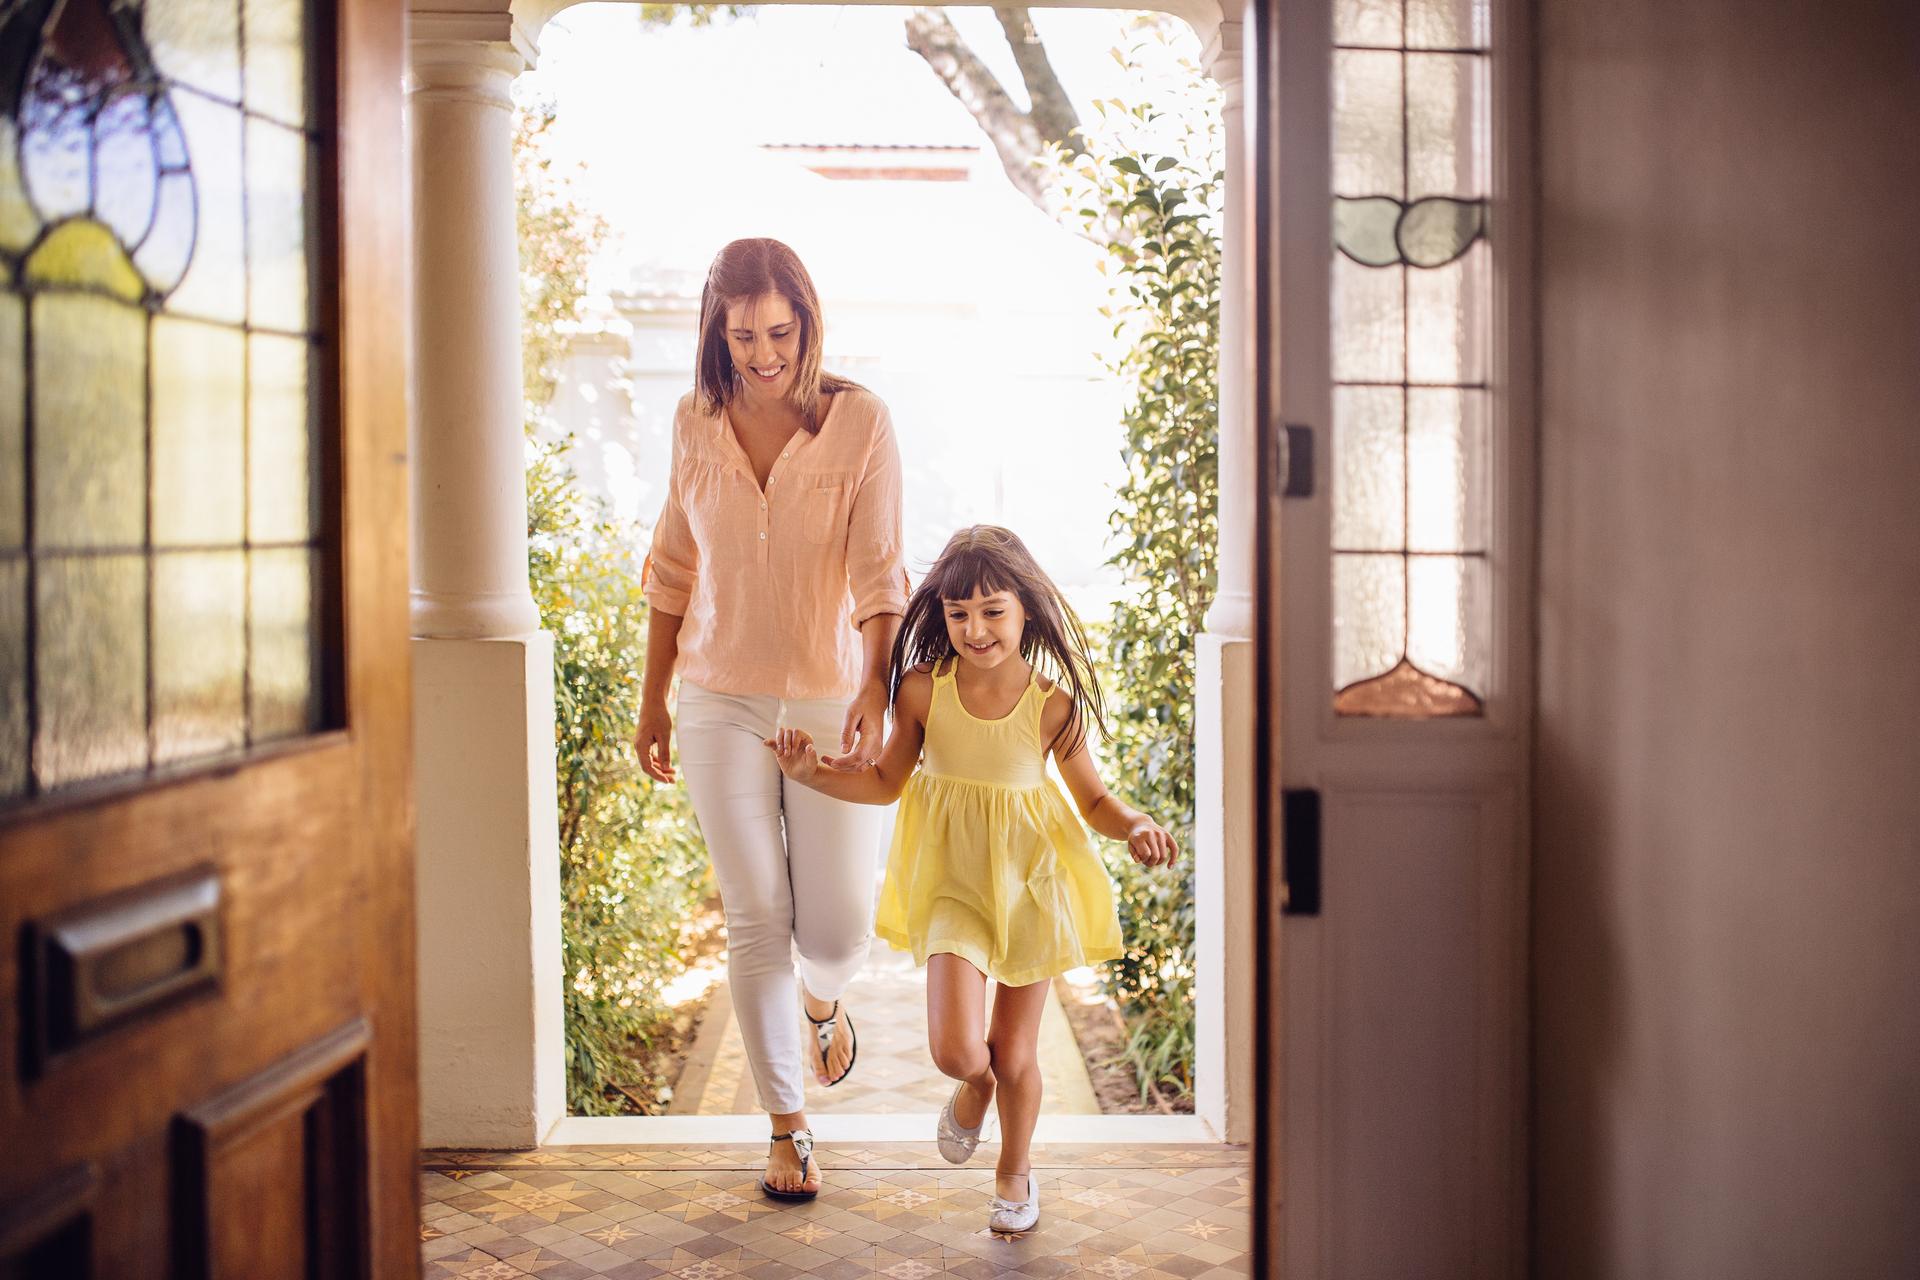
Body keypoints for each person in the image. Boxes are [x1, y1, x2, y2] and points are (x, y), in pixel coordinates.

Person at [765, 525, 1179, 1234]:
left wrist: (1136, 823)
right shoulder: (925, 691)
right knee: (959, 1048)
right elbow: (888, 782)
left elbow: (1095, 801)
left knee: (1017, 1050)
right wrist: (813, 775)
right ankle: (975, 1088)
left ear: (1025, 609)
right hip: (954, 884)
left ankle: (1014, 1173)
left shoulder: (1051, 705)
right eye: (959, 614)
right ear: (942, 616)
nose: (975, 628)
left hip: (1033, 885)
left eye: (992, 611)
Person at [635, 238, 905, 1202]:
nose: (762, 353)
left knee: (834, 929)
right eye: (742, 334)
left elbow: (880, 571)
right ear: (717, 329)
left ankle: (823, 1001)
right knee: (754, 917)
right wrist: (653, 698)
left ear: (806, 321)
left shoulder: (859, 421)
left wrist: (875, 681)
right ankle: (788, 1129)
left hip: (831, 697)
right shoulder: (692, 422)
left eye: (779, 332)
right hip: (719, 700)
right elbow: (673, 568)